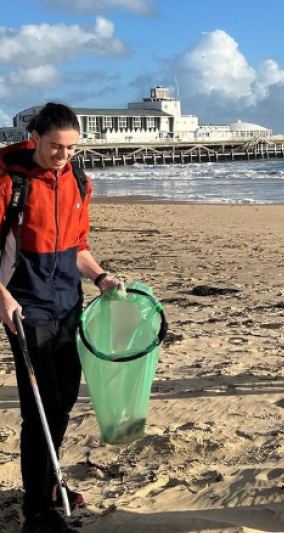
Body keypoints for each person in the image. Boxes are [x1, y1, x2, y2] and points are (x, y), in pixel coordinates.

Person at [0, 103, 124, 533]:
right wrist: (1, 296)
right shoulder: (8, 182)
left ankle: (50, 482)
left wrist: (101, 276)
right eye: (55, 147)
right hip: (24, 304)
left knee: (65, 397)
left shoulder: (77, 180)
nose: (63, 156)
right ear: (35, 136)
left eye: (71, 148)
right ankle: (38, 511)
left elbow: (78, 246)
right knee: (40, 403)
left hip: (68, 302)